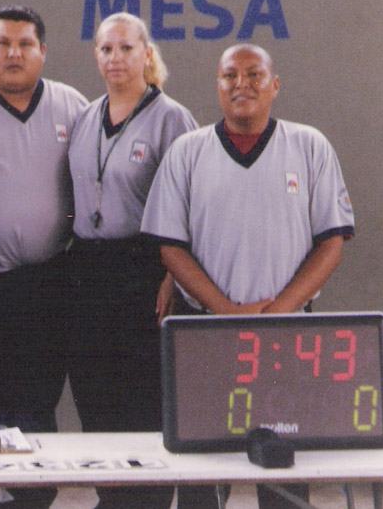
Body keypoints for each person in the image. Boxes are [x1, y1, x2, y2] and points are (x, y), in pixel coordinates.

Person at [142, 42, 355, 509]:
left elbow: (332, 243)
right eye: (230, 76)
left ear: (274, 85)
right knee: (200, 476)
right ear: (217, 86)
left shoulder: (309, 145)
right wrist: (226, 313)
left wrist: (278, 312)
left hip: (287, 331)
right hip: (206, 330)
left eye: (254, 74)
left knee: (283, 477)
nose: (242, 84)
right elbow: (170, 248)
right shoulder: (187, 151)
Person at [0, 5, 88, 508]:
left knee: (36, 407)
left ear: (42, 51)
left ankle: (33, 501)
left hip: (46, 283)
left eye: (25, 44)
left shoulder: (72, 106)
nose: (14, 53)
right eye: (2, 43)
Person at [66, 12, 198, 508]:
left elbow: (193, 205)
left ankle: (147, 501)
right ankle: (111, 497)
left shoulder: (171, 118)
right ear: (96, 56)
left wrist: (171, 277)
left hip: (143, 271)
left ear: (147, 54)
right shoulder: (85, 117)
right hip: (88, 270)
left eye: (126, 48)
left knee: (142, 398)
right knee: (94, 394)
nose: (115, 58)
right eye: (106, 49)